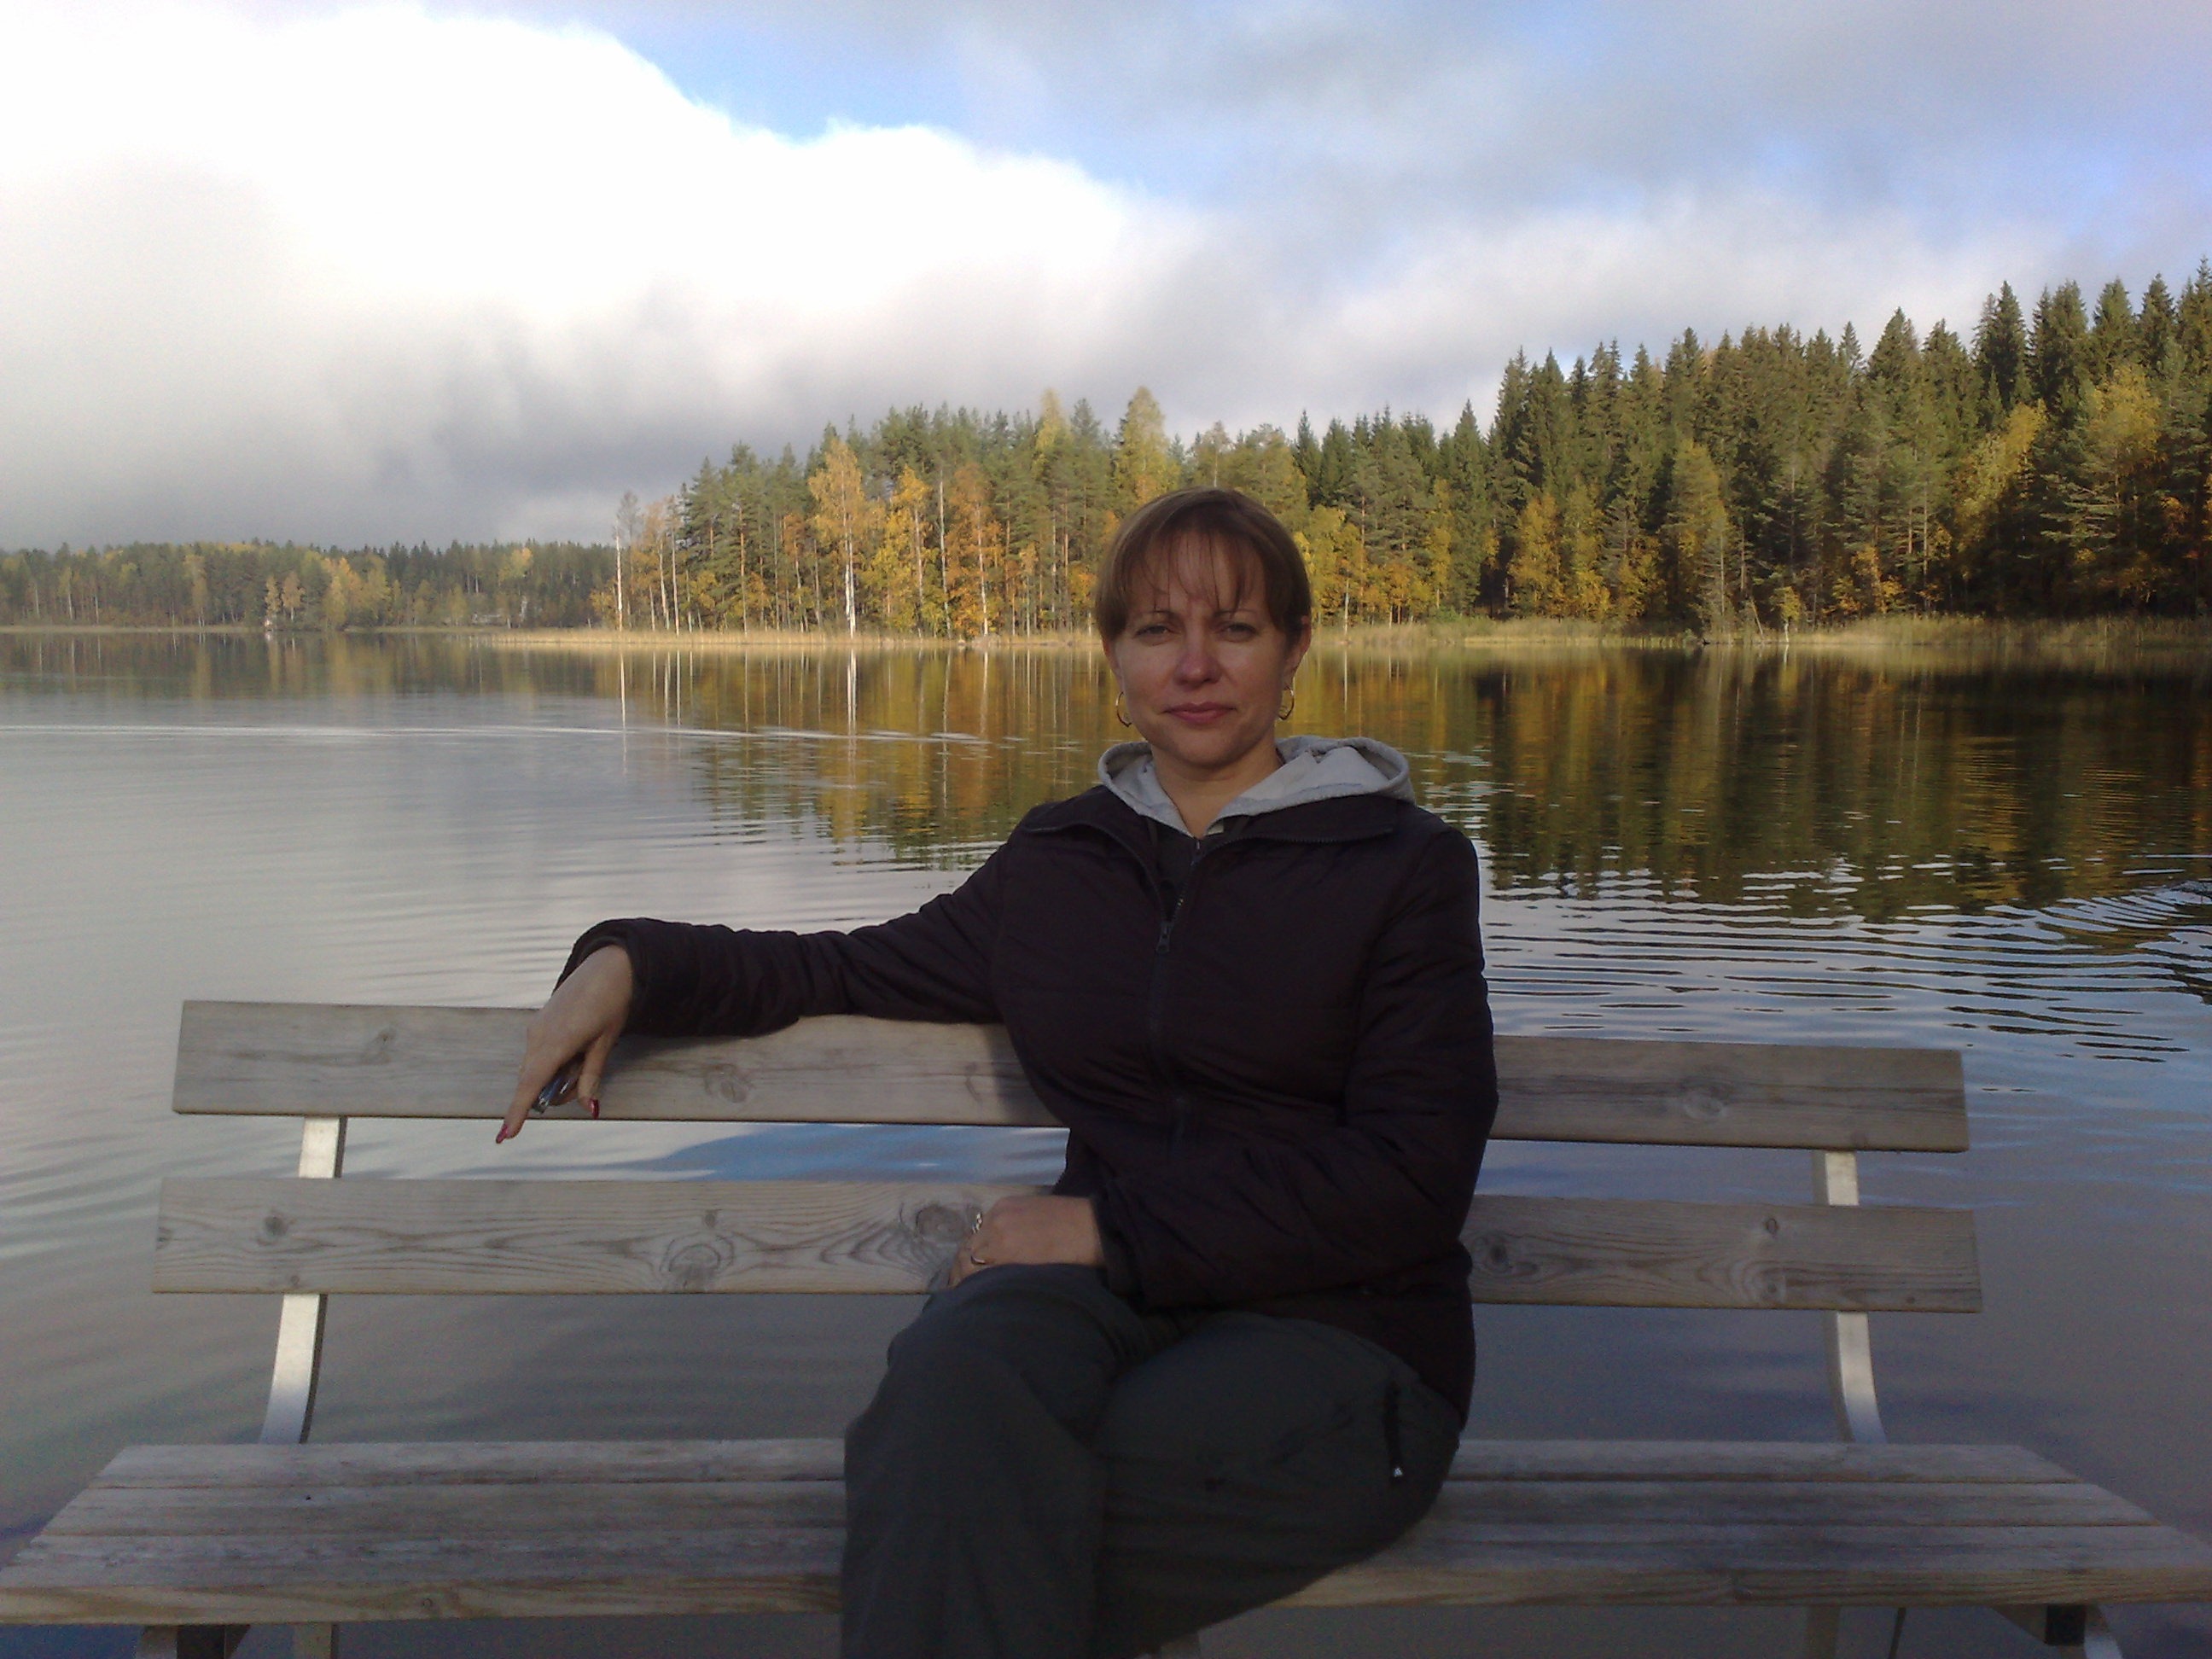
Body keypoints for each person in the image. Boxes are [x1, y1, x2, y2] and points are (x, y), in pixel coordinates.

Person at [498, 486, 1499, 1659]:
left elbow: (1411, 1178)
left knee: (963, 1507)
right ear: (1113, 656)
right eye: (1155, 630)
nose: (1194, 665)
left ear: (1293, 653)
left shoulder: (1401, 867)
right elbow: (841, 968)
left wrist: (1103, 1231)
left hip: (1341, 1333)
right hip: (1104, 1303)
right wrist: (631, 961)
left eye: (1234, 628)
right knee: (949, 1382)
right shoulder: (1064, 861)